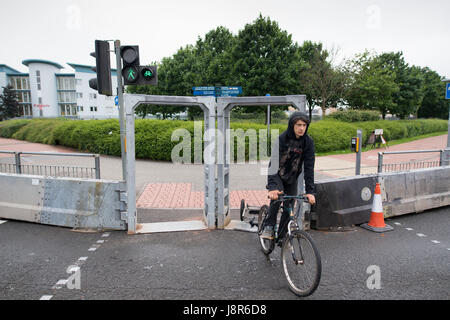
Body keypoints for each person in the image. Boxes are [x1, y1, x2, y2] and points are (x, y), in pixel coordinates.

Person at [261, 111, 316, 240]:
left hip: (292, 177)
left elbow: (309, 168)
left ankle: (281, 236)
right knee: (277, 197)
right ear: (292, 125)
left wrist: (310, 191)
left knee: (289, 205)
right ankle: (269, 226)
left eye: (304, 125)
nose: (301, 128)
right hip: (278, 175)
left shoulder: (308, 142)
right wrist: (273, 187)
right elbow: (273, 164)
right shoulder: (282, 139)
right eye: (298, 125)